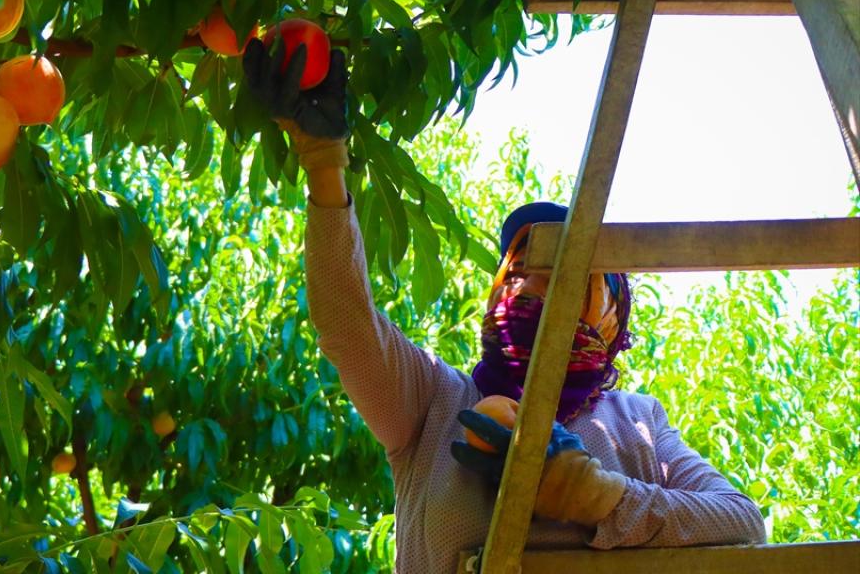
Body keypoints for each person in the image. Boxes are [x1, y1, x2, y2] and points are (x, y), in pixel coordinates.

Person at [243, 41, 767, 573]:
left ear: (615, 317)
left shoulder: (638, 423)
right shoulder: (435, 402)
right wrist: (325, 163)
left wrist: (596, 495)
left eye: (569, 272)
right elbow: (346, 324)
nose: (532, 277)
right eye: (521, 267)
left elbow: (742, 522)